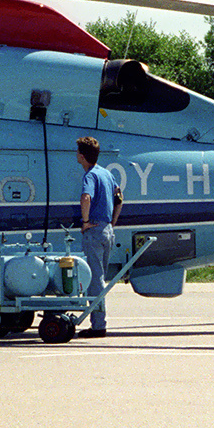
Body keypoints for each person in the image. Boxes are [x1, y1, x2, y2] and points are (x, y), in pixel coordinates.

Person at [75, 136, 116, 338]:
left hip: (94, 230)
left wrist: (85, 221)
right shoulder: (107, 174)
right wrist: (112, 222)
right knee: (101, 277)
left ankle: (98, 326)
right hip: (108, 230)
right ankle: (98, 321)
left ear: (82, 156)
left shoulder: (90, 176)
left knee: (94, 279)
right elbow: (119, 197)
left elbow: (86, 197)